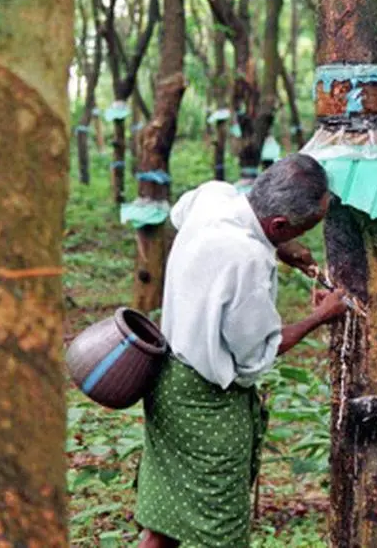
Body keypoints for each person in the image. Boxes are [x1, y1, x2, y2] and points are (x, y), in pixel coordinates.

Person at [135, 153, 348, 548]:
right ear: (279, 224)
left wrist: (280, 247)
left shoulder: (215, 197)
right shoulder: (247, 260)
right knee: (221, 529)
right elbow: (255, 356)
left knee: (164, 518)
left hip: (165, 381)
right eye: (302, 230)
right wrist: (321, 316)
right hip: (205, 404)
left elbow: (181, 214)